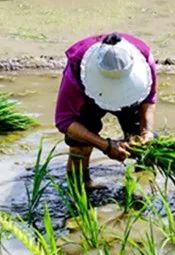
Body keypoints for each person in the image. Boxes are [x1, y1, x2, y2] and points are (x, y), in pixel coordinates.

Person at [55, 32, 157, 186]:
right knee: (79, 146)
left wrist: (146, 131)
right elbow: (65, 121)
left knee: (144, 147)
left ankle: (141, 191)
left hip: (131, 99)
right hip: (89, 100)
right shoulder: (77, 67)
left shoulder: (145, 61)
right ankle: (80, 187)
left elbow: (148, 99)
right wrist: (105, 146)